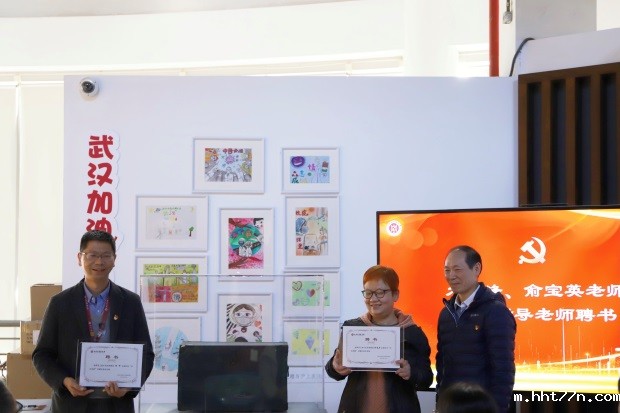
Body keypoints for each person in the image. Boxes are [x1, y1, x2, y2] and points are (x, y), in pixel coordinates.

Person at [33, 230, 154, 413]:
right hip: (71, 405)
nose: (99, 262)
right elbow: (42, 355)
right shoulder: (60, 303)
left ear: (114, 259)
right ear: (79, 258)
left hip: (116, 406)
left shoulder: (131, 302)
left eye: (106, 255)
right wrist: (64, 381)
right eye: (92, 255)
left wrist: (128, 387)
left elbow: (146, 354)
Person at [325, 265, 433, 413]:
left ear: (395, 295)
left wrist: (411, 373)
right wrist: (335, 366)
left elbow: (426, 379)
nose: (373, 299)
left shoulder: (413, 333)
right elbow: (333, 370)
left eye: (380, 292)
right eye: (368, 293)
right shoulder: (353, 328)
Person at [436, 245, 516, 413]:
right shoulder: (446, 313)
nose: (451, 276)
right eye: (447, 270)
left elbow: (503, 371)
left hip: (481, 407)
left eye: (457, 269)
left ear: (476, 269)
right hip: (451, 406)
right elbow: (442, 366)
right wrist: (440, 404)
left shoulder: (495, 311)